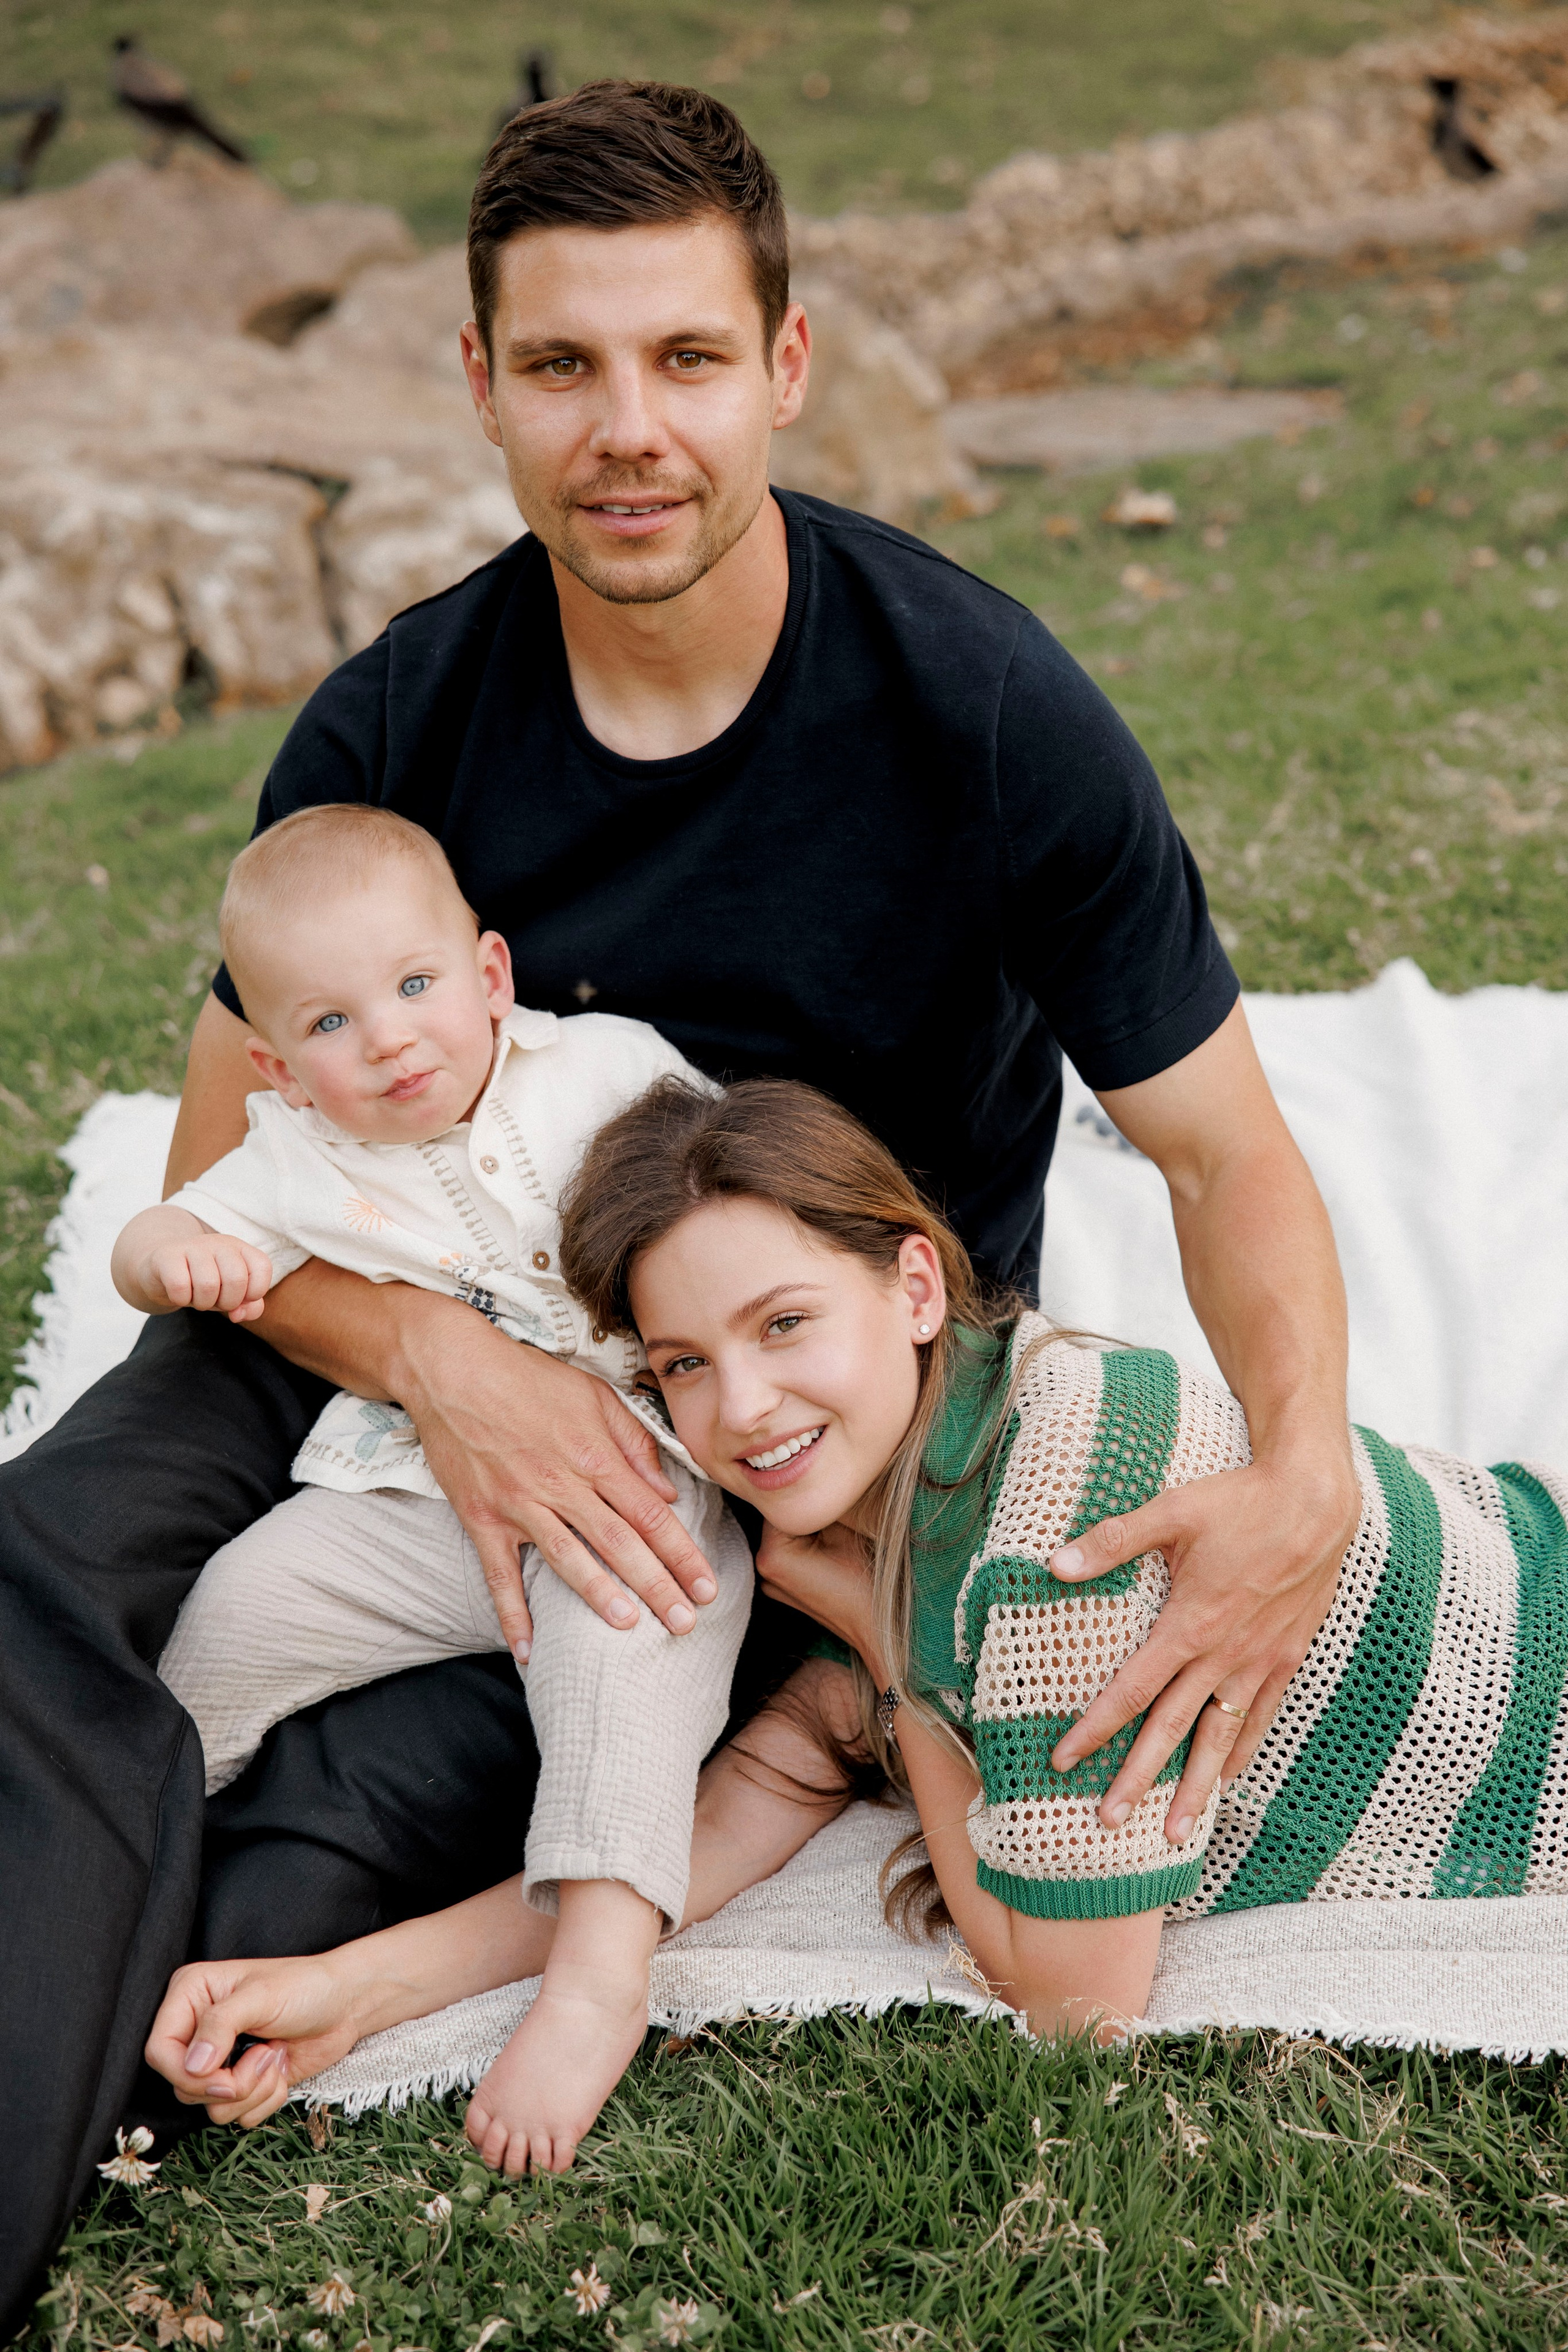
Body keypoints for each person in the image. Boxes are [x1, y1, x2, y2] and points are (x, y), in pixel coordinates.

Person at [1, 77, 1357, 2325]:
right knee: (46, 1560)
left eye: (687, 358)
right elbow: (220, 1165)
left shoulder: (987, 708)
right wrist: (442, 1367)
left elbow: (1226, 1150)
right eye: (563, 365)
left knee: (342, 1808)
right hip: (374, 1291)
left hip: (743, 1413)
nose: (630, 430)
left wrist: (1301, 1471)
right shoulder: (395, 721)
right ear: (483, 387)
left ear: (786, 367)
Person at [147, 1071, 1567, 2124]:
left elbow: (1074, 2006)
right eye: (685, 1365)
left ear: (909, 1286)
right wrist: (352, 1989)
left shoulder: (1050, 1520)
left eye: (783, 1325)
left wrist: (888, 1655)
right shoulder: (903, 1496)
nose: (743, 1408)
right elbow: (720, 1818)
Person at [114, 801, 779, 2166]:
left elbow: (724, 1194)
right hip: (413, 1494)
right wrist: (166, 1259)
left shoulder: (602, 1069)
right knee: (235, 1609)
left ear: (488, 978)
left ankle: (594, 1980)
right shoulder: (293, 1154)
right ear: (280, 1065)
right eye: (332, 1024)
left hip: (630, 1481)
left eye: (415, 988)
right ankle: (139, 1826)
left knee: (635, 1651)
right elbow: (167, 1224)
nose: (390, 1039)